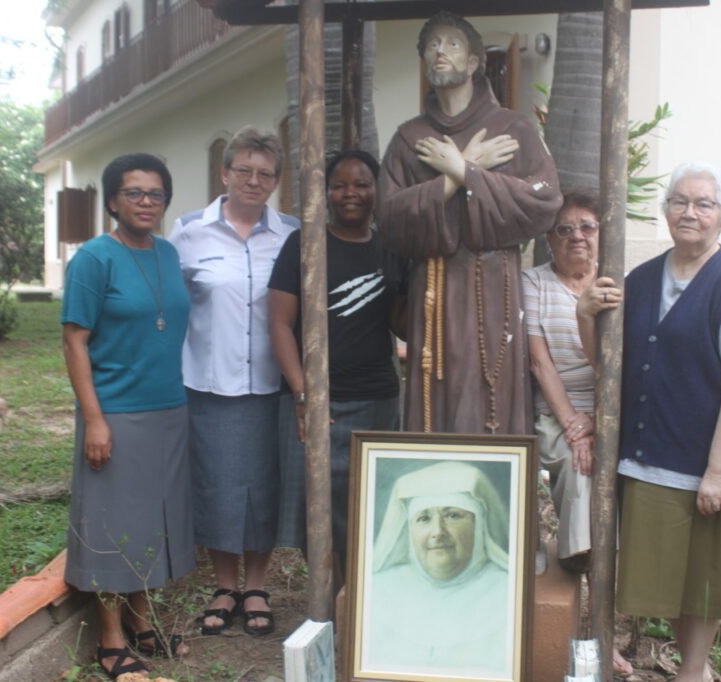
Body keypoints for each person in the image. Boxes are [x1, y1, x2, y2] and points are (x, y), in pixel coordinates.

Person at [578, 162, 721, 682]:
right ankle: (696, 673)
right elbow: (606, 365)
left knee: (702, 584)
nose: (689, 212)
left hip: (704, 466)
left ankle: (693, 673)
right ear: (665, 212)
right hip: (648, 462)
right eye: (679, 201)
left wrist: (719, 473)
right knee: (669, 584)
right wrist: (584, 315)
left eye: (704, 204)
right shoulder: (642, 279)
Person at [377, 10, 562, 435]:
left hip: (495, 286)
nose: (440, 51)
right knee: (436, 404)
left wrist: (465, 171)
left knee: (490, 400)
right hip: (433, 290)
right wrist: (456, 175)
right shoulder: (409, 139)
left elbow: (543, 202)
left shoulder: (512, 129)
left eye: (453, 43)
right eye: (432, 45)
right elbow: (389, 220)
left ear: (475, 61)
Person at [61, 153, 193, 679]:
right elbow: (75, 341)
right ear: (113, 201)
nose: (146, 202)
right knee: (114, 520)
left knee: (154, 520)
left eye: (156, 194)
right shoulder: (94, 259)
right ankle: (110, 639)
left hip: (169, 409)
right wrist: (94, 419)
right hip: (115, 412)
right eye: (134, 193)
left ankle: (142, 622)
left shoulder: (167, 253)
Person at [169, 126, 299, 637]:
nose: (253, 180)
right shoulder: (188, 232)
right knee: (218, 487)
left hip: (272, 383)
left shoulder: (291, 234)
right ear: (224, 174)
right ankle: (225, 586)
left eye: (265, 173)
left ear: (276, 182)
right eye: (243, 170)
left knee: (264, 487)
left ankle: (257, 585)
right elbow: (172, 304)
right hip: (210, 382)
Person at [269, 150, 408, 579]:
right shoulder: (304, 244)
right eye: (340, 185)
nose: (351, 193)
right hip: (314, 402)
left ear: (378, 192)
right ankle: (326, 598)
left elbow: (402, 325)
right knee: (315, 512)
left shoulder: (391, 248)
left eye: (362, 184)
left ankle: (357, 596)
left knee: (371, 506)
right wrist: (304, 395)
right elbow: (279, 324)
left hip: (376, 400)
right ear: (325, 192)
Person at [521, 188, 633, 676]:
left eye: (587, 227)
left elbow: (624, 361)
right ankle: (583, 582)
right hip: (556, 411)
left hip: (612, 408)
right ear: (549, 239)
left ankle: (603, 622)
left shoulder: (617, 283)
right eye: (564, 229)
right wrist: (573, 423)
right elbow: (539, 362)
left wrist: (597, 418)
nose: (577, 237)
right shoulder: (533, 282)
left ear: (602, 233)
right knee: (580, 469)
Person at [365, 462, 512, 678]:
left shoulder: (508, 593)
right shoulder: (378, 590)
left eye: (453, 515)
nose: (438, 531)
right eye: (424, 518)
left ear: (478, 525)